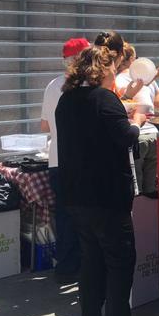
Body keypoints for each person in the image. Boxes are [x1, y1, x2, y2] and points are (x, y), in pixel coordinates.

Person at [55, 45, 158, 316]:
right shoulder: (104, 98)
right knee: (120, 261)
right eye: (113, 69)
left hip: (76, 195)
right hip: (107, 195)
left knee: (92, 262)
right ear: (102, 71)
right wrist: (138, 117)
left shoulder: (66, 100)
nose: (116, 74)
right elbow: (126, 137)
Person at [40, 37, 91, 284]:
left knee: (64, 214)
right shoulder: (85, 86)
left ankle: (65, 266)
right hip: (79, 161)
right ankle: (83, 267)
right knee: (84, 216)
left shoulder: (52, 85)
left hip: (56, 160)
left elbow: (44, 125)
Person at [115, 44, 159, 197]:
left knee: (137, 190)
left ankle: (140, 220)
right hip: (155, 134)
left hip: (137, 136)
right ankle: (153, 219)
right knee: (153, 189)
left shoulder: (118, 80)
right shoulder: (150, 81)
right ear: (133, 59)